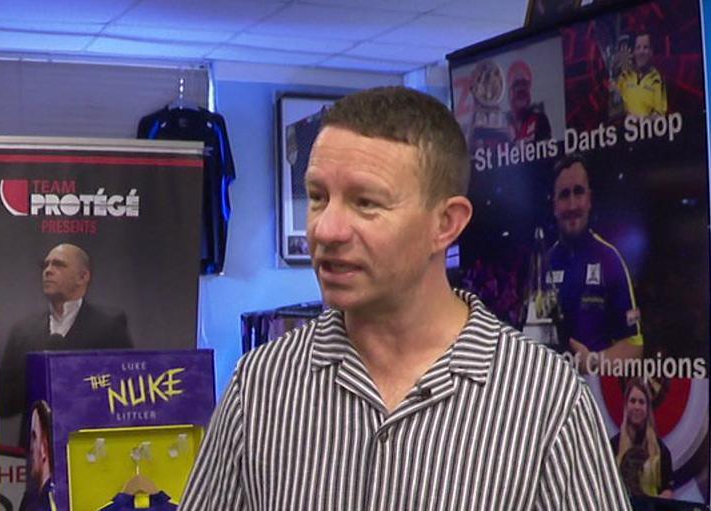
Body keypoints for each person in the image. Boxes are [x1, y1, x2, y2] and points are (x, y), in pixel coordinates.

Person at [180, 87, 629, 510]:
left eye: (366, 203)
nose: (325, 229)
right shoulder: (261, 387)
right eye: (318, 197)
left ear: (446, 223)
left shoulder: (546, 401)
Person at [0, 243, 133, 419]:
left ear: (83, 277)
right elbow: (3, 405)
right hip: (37, 443)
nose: (48, 271)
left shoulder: (109, 326)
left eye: (58, 265)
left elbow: (125, 392)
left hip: (87, 440)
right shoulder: (23, 331)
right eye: (45, 265)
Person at [544, 154, 643, 373]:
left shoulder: (611, 259)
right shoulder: (545, 264)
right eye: (564, 195)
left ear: (589, 199)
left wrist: (593, 362)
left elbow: (634, 346)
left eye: (578, 192)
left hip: (596, 398)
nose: (571, 205)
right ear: (554, 205)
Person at [610, 379, 673, 498]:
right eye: (632, 401)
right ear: (626, 405)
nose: (637, 407)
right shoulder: (612, 446)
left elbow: (667, 490)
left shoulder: (661, 450)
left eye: (641, 402)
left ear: (648, 408)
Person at [617, 31, 667, 117]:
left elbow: (660, 113)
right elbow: (615, 109)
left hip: (647, 129)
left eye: (645, 47)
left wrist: (642, 121)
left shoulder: (657, 78)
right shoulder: (624, 76)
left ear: (651, 52)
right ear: (633, 52)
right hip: (624, 128)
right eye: (638, 47)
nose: (641, 52)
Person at [19, 401, 56, 511]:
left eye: (34, 437)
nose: (30, 447)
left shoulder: (53, 501)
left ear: (44, 447)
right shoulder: (29, 499)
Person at [505, 60, 551, 143]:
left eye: (524, 85)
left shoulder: (540, 119)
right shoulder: (503, 123)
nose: (521, 89)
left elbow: (547, 151)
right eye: (516, 85)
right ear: (509, 93)